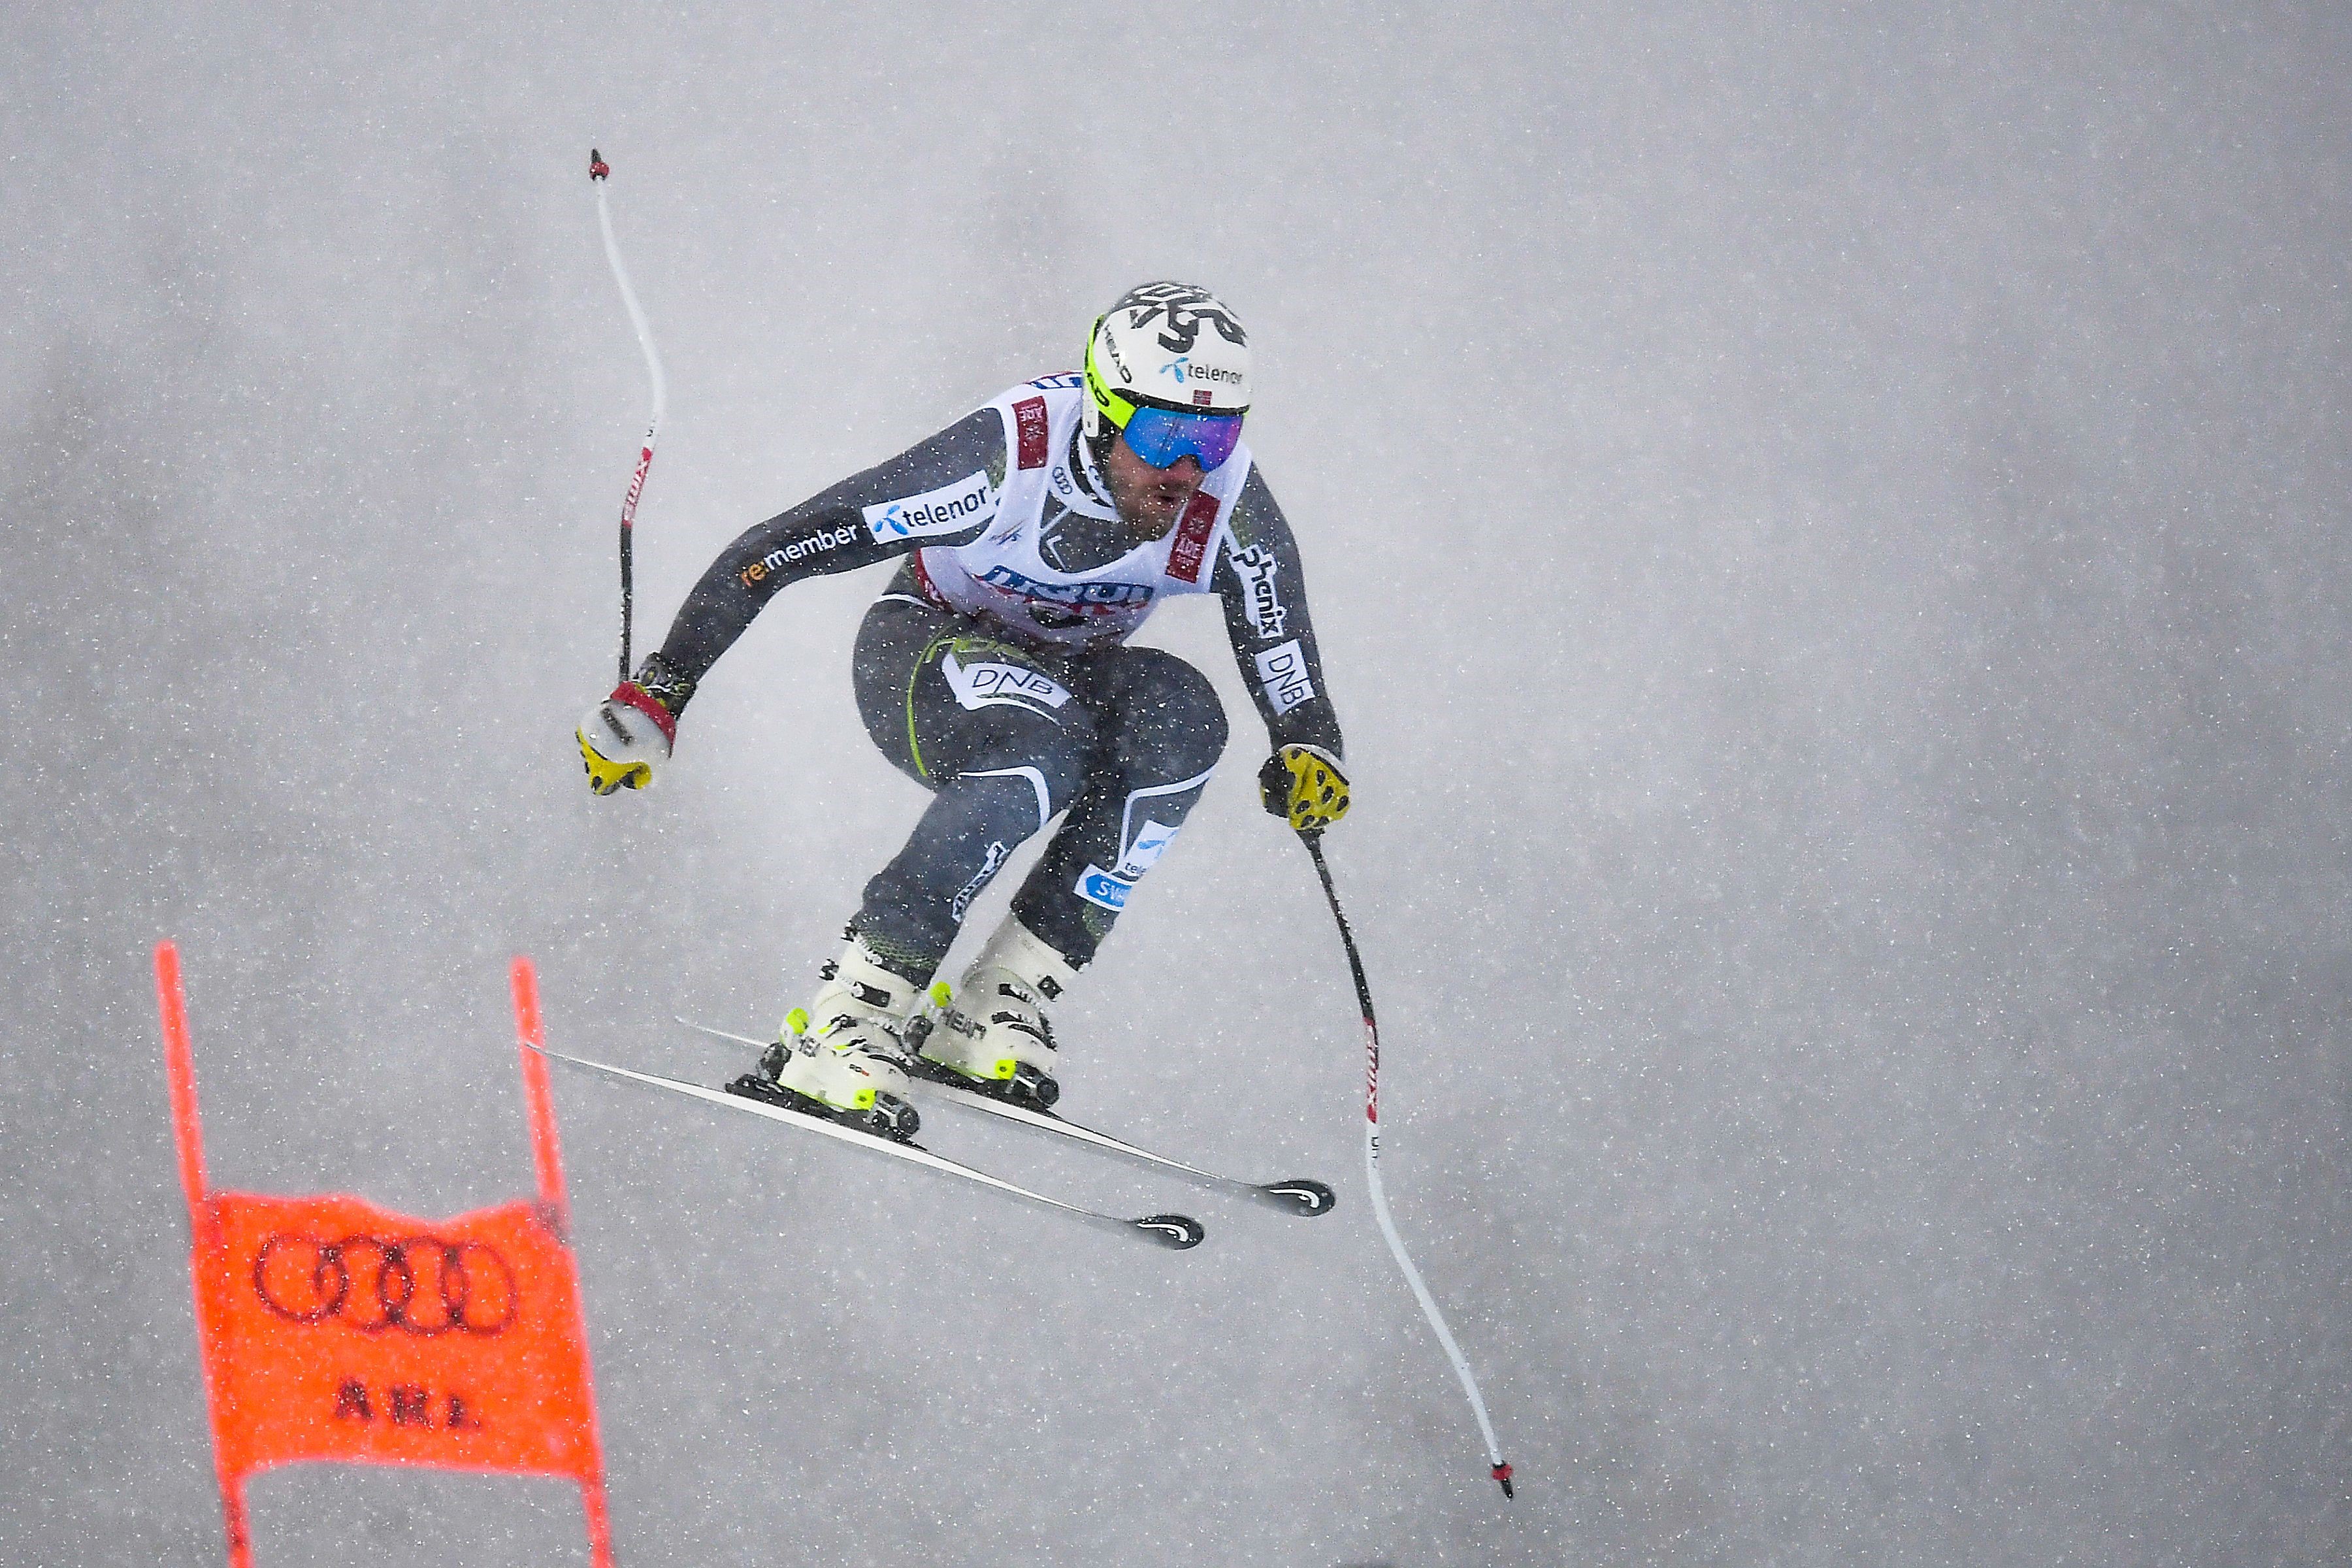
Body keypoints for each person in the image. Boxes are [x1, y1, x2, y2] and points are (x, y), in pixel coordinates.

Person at [576, 282, 1350, 1139]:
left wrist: (1310, 743)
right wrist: (661, 690)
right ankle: (854, 1010)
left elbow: (1276, 625)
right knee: (1041, 743)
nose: (1186, 470)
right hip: (922, 652)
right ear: (1103, 411)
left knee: (1187, 719)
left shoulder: (1222, 498)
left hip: (1066, 675)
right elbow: (780, 548)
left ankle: (1000, 999)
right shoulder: (1007, 460)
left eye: (1216, 434)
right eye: (1165, 434)